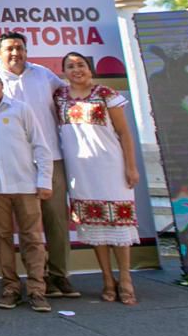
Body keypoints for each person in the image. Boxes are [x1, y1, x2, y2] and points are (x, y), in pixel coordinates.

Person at [0, 31, 79, 299]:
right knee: (21, 228)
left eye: (19, 47)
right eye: (9, 49)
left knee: (55, 220)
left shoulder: (44, 75)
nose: (15, 53)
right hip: (12, 165)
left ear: (26, 50)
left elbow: (69, 99)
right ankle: (34, 278)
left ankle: (59, 275)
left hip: (51, 158)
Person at [54, 52, 142, 305]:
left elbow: (124, 133)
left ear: (89, 69)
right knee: (94, 227)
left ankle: (125, 278)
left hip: (111, 168)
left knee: (119, 226)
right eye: (70, 66)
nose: (76, 70)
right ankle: (107, 278)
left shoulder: (106, 94)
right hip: (80, 171)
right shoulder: (60, 96)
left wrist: (131, 167)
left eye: (80, 65)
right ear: (64, 72)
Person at [0, 68, 53, 313]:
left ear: (1, 85)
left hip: (26, 186)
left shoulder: (21, 109)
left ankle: (37, 290)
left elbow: (40, 146)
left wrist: (44, 180)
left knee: (33, 240)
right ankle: (11, 288)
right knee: (3, 239)